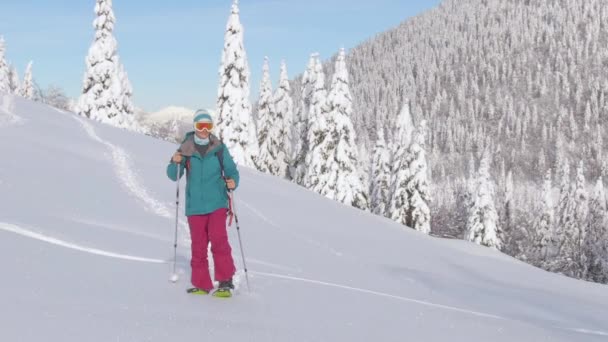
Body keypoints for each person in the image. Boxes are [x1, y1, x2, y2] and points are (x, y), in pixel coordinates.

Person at [166, 109, 240, 297]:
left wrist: (233, 181)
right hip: (195, 206)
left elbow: (232, 171)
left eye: (208, 126)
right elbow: (173, 175)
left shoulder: (219, 148)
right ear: (195, 126)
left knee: (218, 239)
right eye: (201, 126)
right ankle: (201, 283)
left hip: (217, 202)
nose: (204, 130)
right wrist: (174, 162)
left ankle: (225, 281)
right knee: (198, 244)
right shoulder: (186, 149)